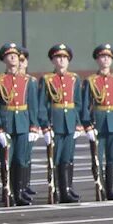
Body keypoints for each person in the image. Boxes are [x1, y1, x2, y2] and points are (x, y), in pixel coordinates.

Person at [0, 43, 40, 206]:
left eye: (15, 55)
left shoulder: (28, 81)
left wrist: (33, 125)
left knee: (20, 160)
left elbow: (32, 104)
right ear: (4, 59)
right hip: (6, 124)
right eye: (9, 55)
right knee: (6, 161)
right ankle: (8, 191)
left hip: (22, 124)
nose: (12, 58)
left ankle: (19, 192)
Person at [38, 44, 86, 204]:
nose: (62, 60)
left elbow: (78, 103)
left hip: (70, 123)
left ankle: (67, 189)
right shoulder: (47, 80)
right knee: (56, 159)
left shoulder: (74, 79)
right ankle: (57, 190)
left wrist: (78, 123)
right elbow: (42, 105)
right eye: (58, 57)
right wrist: (45, 125)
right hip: (56, 123)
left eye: (65, 57)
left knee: (68, 157)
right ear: (53, 60)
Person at [84, 43, 113, 200]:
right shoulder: (91, 81)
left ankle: (111, 190)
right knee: (97, 159)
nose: (105, 59)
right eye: (102, 56)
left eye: (108, 57)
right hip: (98, 123)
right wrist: (87, 125)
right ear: (97, 59)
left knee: (112, 158)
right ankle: (100, 188)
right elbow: (85, 105)